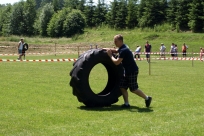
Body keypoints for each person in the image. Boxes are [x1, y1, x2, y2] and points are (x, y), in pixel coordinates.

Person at [104, 34, 152, 108]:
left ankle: (147, 98)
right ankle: (126, 104)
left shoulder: (124, 50)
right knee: (122, 87)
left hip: (132, 71)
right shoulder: (123, 47)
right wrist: (103, 49)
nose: (114, 43)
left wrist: (110, 55)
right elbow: (116, 50)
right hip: (126, 71)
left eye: (115, 41)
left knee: (133, 89)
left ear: (120, 41)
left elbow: (117, 62)